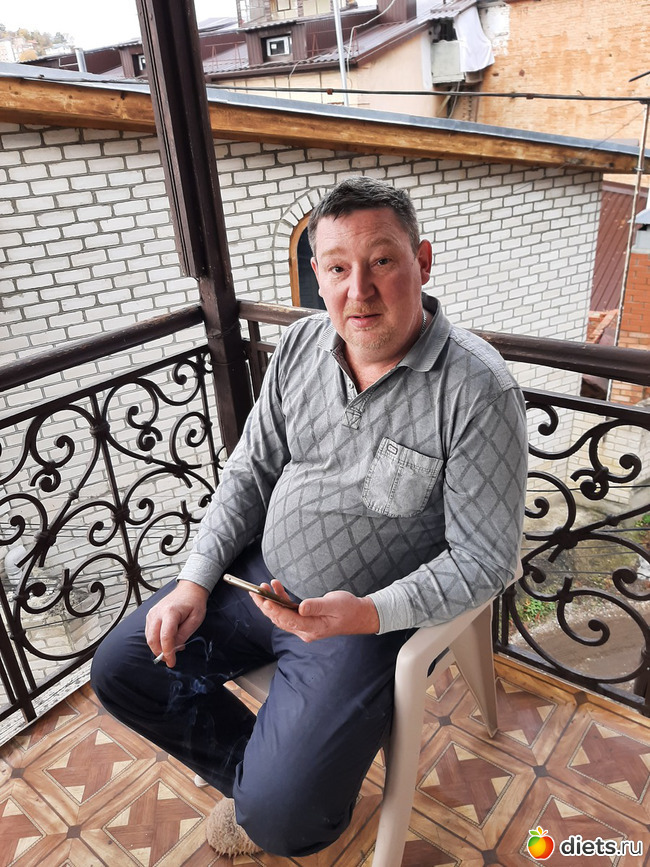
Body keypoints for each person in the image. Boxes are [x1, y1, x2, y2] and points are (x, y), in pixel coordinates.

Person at [91, 177, 528, 859]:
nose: (360, 290)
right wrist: (196, 580)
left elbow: (485, 559)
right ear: (318, 277)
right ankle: (261, 785)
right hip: (259, 581)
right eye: (337, 268)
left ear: (422, 262)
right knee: (123, 667)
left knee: (290, 828)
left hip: (363, 622)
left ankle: (279, 801)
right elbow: (250, 470)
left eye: (382, 261)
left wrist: (366, 614)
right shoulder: (300, 347)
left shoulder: (478, 390)